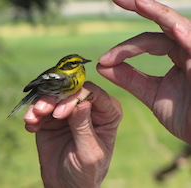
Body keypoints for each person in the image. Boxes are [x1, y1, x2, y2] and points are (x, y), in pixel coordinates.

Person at [24, 0, 191, 187]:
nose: (81, 65)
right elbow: (45, 82)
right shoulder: (64, 77)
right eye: (76, 64)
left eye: (81, 63)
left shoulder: (78, 76)